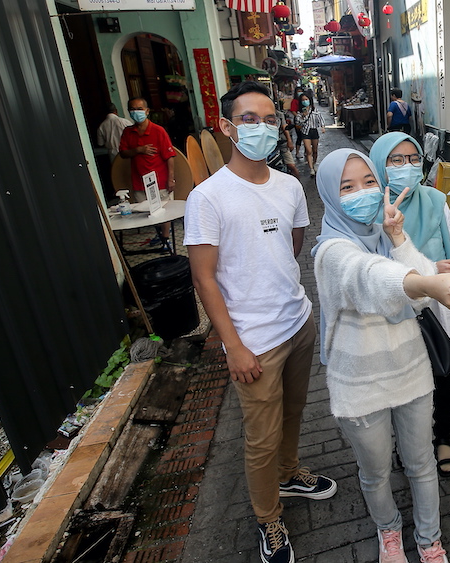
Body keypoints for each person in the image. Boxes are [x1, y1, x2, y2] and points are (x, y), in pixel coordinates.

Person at [185, 81, 336, 563]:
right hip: (254, 341)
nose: (262, 127)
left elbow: (289, 249)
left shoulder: (290, 186)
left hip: (297, 322)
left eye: (270, 119)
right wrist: (234, 345)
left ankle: (290, 473)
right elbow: (204, 280)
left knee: (293, 414)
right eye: (249, 119)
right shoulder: (208, 197)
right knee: (260, 437)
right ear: (228, 127)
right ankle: (268, 517)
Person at [313, 149, 450, 563]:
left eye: (369, 182)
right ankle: (388, 532)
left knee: (421, 462)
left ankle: (429, 540)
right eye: (346, 187)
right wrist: (425, 282)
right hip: (360, 384)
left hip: (410, 369)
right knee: (375, 472)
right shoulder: (330, 251)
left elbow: (419, 282)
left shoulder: (385, 233)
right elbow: (368, 277)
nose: (362, 193)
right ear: (329, 197)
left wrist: (399, 238)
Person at [369, 133, 450, 477]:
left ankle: (442, 436)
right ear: (380, 165)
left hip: (440, 309)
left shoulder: (434, 199)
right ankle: (408, 442)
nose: (407, 167)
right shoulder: (369, 208)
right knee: (402, 381)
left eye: (414, 159)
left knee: (443, 376)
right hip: (394, 315)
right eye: (396, 160)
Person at [119, 97, 176, 248]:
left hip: (159, 179)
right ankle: (159, 236)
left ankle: (165, 239)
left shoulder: (158, 131)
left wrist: (171, 179)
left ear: (147, 111)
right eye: (132, 109)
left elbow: (169, 156)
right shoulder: (128, 132)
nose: (136, 112)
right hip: (139, 181)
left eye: (139, 109)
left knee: (163, 212)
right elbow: (123, 153)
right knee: (147, 212)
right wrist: (138, 150)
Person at [298, 96, 325, 176]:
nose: (305, 101)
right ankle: (311, 169)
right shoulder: (300, 112)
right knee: (309, 151)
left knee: (315, 151)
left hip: (314, 131)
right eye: (303, 100)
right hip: (305, 132)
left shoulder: (315, 110)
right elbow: (299, 122)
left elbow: (320, 118)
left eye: (306, 99)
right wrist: (303, 116)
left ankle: (314, 163)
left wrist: (322, 127)